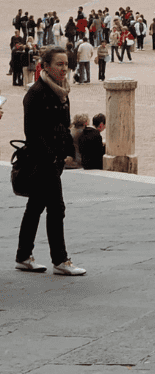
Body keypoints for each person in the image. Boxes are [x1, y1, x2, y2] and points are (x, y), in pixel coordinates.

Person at [15, 47, 87, 275]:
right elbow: (32, 133)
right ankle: (60, 260)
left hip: (55, 159)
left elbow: (64, 126)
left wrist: (68, 151)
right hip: (42, 160)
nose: (64, 68)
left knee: (35, 206)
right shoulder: (35, 93)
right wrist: (50, 158)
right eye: (59, 64)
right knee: (57, 208)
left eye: (66, 64)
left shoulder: (63, 91)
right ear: (45, 66)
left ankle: (23, 256)